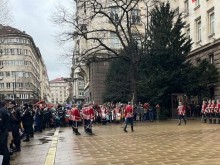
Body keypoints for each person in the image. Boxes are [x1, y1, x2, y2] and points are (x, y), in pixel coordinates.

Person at [0, 100, 10, 165]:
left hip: (2, 132)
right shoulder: (6, 111)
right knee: (5, 147)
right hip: (5, 130)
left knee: (2, 148)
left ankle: (4, 162)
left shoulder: (1, 111)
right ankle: (6, 161)